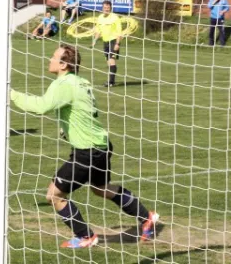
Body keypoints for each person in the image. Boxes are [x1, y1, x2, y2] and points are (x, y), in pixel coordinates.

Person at [10, 44, 158, 248]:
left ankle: (86, 236)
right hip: (101, 145)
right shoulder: (82, 82)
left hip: (86, 151)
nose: (49, 60)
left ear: (63, 64)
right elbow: (81, 109)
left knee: (54, 195)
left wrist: (10, 94)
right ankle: (146, 217)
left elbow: (41, 106)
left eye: (54, 57)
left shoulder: (64, 84)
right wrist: (67, 127)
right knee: (101, 188)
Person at [93, 0, 121, 87]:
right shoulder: (100, 17)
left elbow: (119, 32)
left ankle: (111, 82)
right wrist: (95, 40)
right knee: (108, 62)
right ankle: (111, 81)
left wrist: (117, 44)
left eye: (108, 8)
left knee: (112, 61)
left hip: (113, 41)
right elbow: (98, 31)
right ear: (102, 8)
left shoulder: (115, 18)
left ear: (110, 8)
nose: (106, 9)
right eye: (105, 8)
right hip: (105, 42)